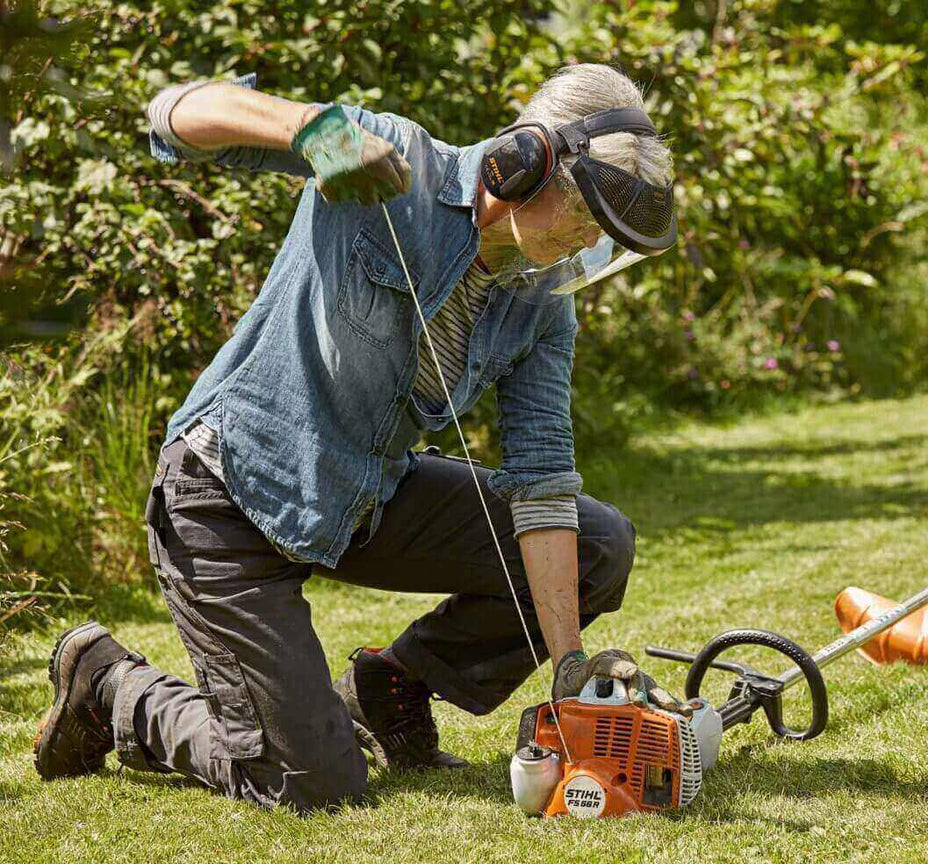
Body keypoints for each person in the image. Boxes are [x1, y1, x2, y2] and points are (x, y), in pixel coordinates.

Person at [33, 63, 685, 812]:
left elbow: (540, 477)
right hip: (224, 499)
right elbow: (172, 113)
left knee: (596, 545)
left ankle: (390, 686)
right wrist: (309, 131)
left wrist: (570, 667)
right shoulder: (392, 164)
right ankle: (110, 688)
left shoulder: (541, 304)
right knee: (313, 785)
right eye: (583, 216)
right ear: (528, 162)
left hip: (361, 500)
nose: (586, 241)